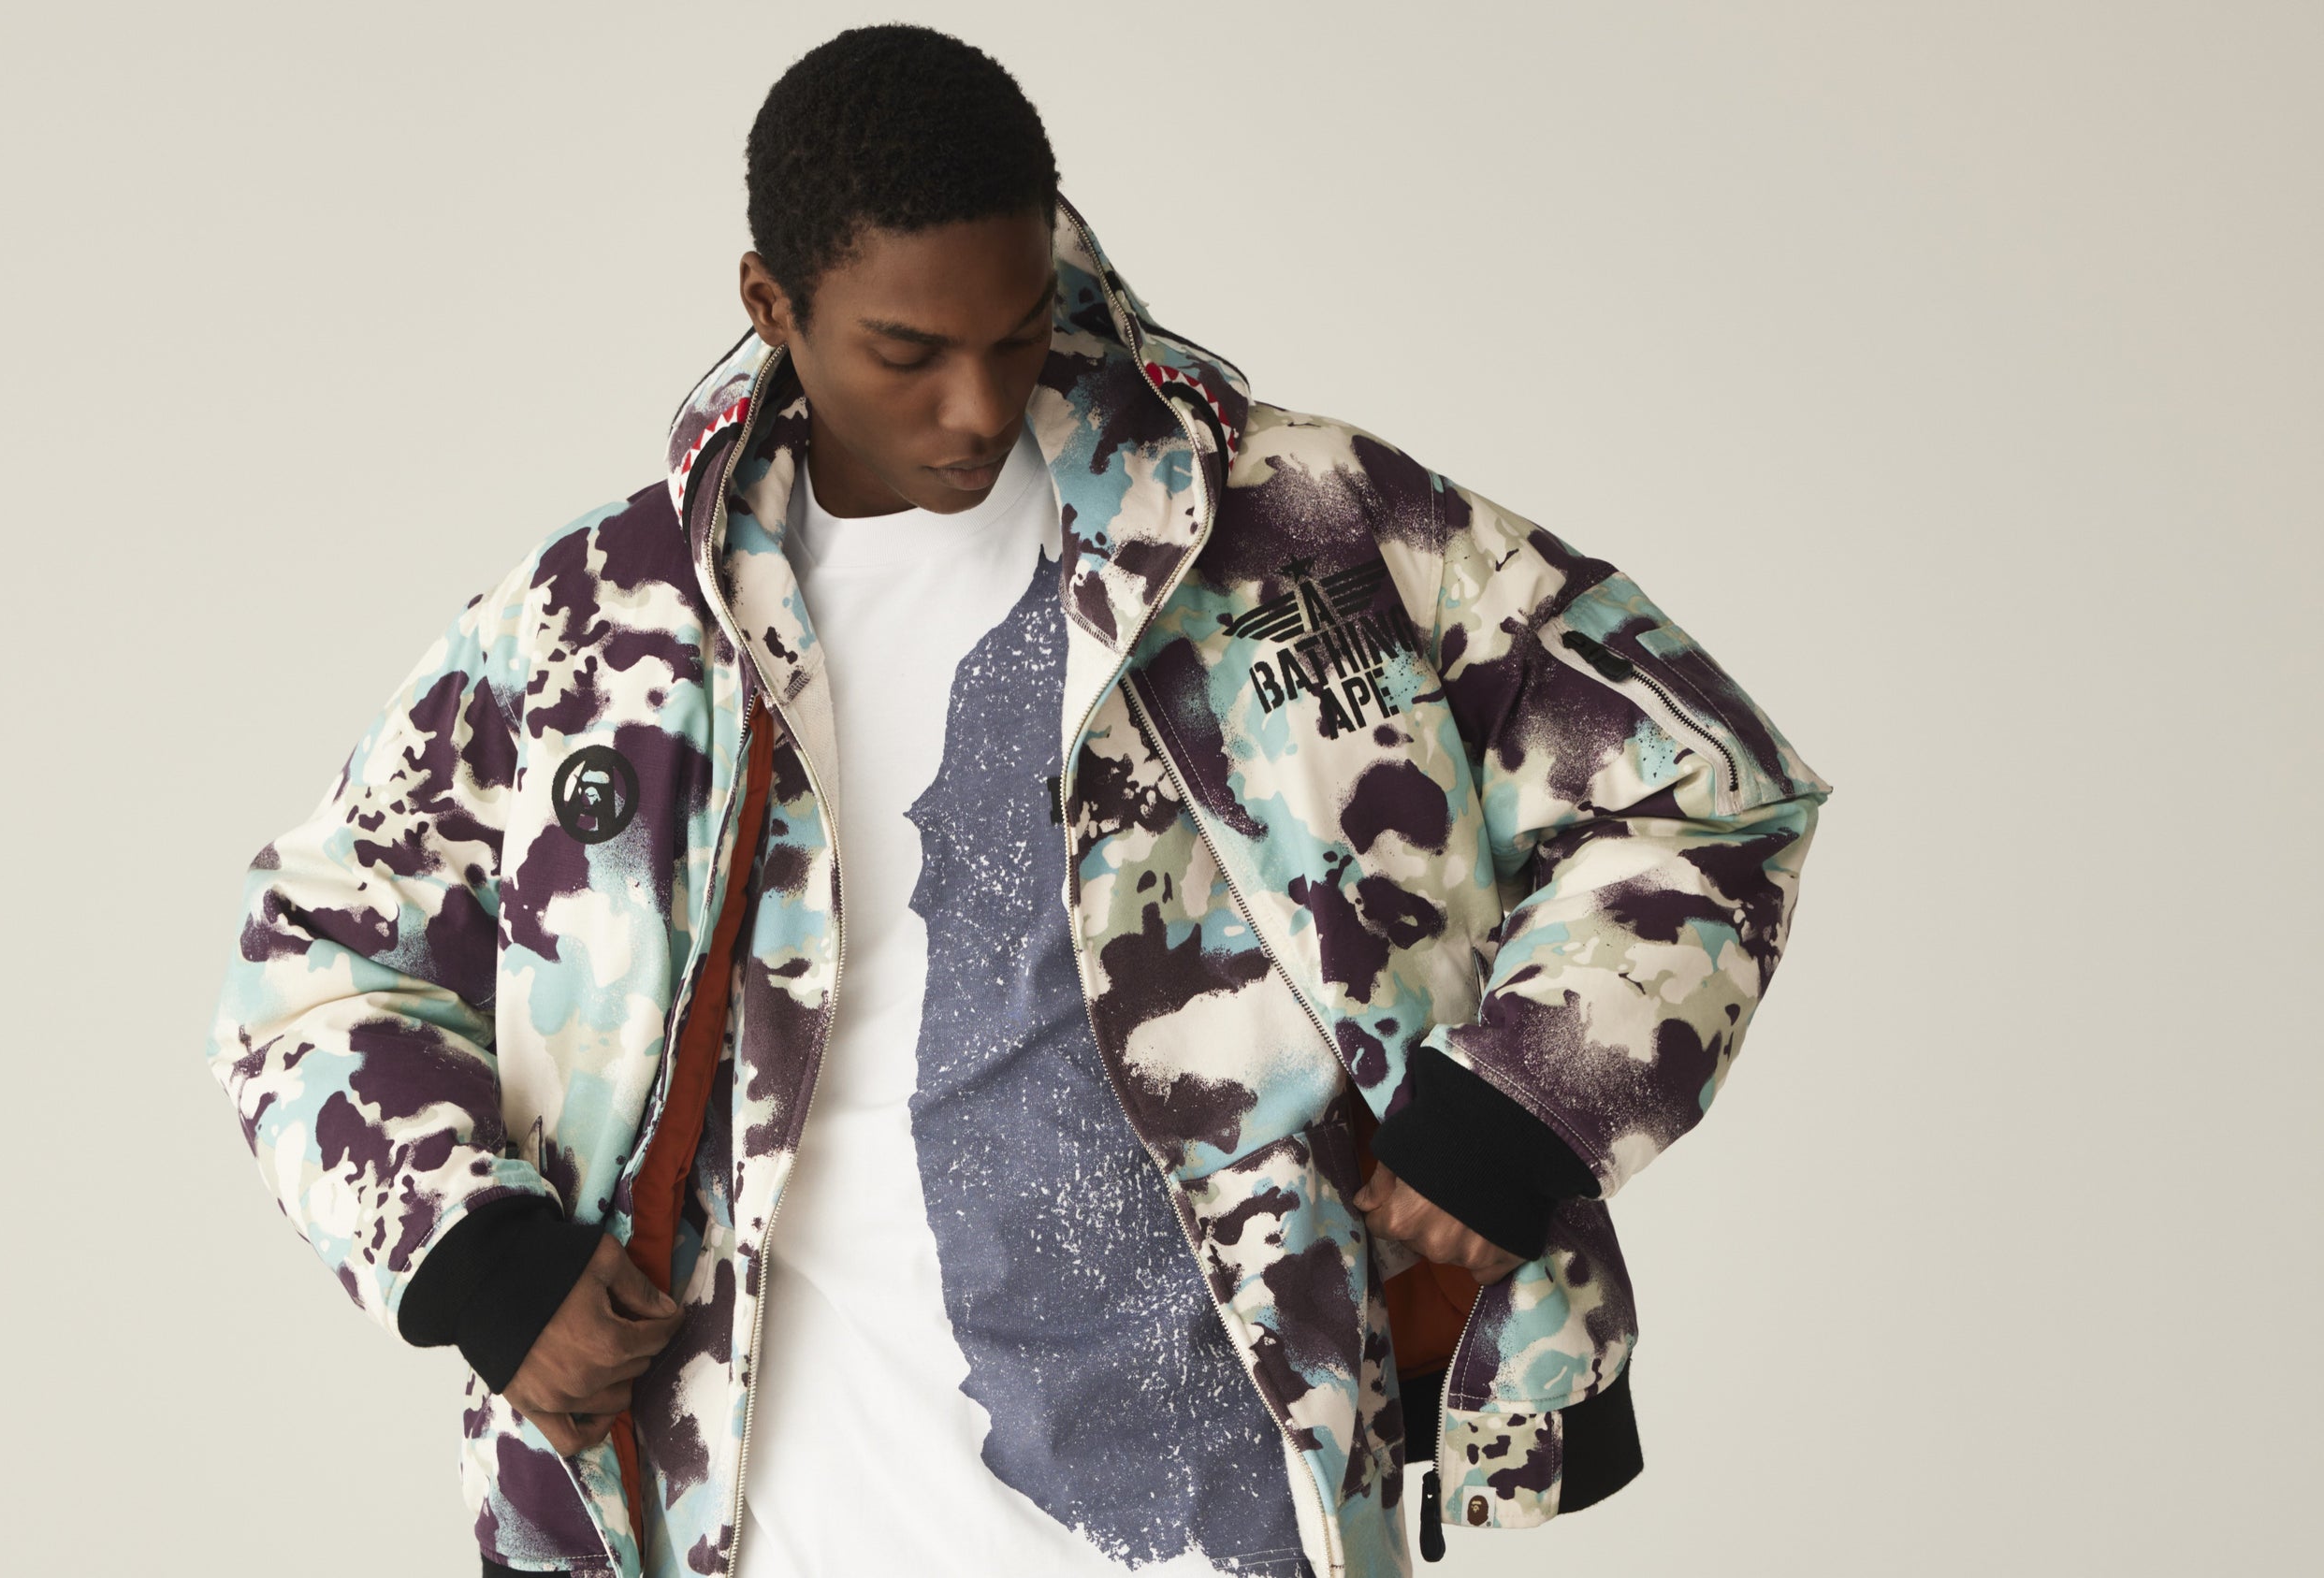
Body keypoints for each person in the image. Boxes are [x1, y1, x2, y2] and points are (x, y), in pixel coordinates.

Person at [207, 24, 1827, 1578]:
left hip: (1225, 1516)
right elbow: (314, 954)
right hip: (753, 1520)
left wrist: (1521, 1102)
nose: (976, 406)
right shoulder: (604, 627)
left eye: (1016, 331)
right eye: (907, 354)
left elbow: (1702, 781)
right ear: (771, 303)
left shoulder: (1294, 530)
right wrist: (473, 1254)